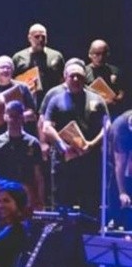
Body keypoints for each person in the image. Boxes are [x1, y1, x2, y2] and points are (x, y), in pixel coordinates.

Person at [42, 61, 108, 215]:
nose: (76, 80)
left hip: (89, 160)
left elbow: (107, 126)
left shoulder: (97, 99)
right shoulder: (55, 99)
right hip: (64, 159)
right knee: (62, 203)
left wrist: (92, 144)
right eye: (72, 76)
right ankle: (61, 237)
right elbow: (47, 127)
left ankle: (89, 235)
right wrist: (61, 145)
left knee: (90, 203)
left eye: (79, 76)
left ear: (85, 78)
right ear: (65, 78)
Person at [0, 101, 45, 210]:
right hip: (3, 197)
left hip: (27, 196)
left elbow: (39, 176)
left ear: (23, 117)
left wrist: (40, 201)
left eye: (18, 116)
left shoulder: (33, 143)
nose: (14, 119)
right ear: (5, 117)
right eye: (11, 116)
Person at [12, 23, 65, 107]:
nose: (40, 39)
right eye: (37, 37)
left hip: (51, 101)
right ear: (29, 38)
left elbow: (63, 80)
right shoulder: (18, 57)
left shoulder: (56, 56)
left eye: (43, 37)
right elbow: (12, 81)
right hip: (26, 102)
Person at [86, 39, 125, 118]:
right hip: (91, 114)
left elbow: (122, 92)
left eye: (104, 54)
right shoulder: (84, 72)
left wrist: (116, 99)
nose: (101, 57)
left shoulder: (115, 71)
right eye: (97, 54)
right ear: (90, 54)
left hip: (111, 113)